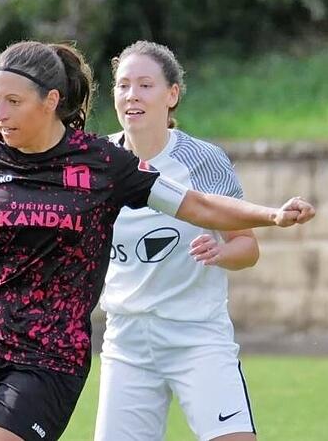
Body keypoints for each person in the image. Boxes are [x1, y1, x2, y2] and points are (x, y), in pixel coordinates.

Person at [0, 40, 315, 441]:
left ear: (50, 100)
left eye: (13, 101)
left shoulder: (104, 164)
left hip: (51, 354)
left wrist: (271, 216)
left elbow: (196, 205)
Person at [95, 40, 264, 441]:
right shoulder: (97, 159)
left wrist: (222, 253)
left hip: (197, 337)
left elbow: (248, 246)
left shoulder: (203, 159)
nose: (132, 94)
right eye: (122, 85)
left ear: (172, 95)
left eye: (145, 85)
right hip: (126, 342)